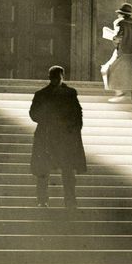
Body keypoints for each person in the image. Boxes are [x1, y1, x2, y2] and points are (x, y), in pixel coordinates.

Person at [29, 65, 87, 210]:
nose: (56, 80)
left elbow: (77, 114)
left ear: (62, 77)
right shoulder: (41, 94)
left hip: (62, 137)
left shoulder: (69, 93)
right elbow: (33, 114)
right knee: (45, 170)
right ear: (51, 78)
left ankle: (68, 201)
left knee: (66, 171)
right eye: (54, 77)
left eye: (58, 77)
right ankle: (46, 201)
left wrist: (73, 129)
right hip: (49, 136)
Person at [101, 3, 132, 112]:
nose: (117, 16)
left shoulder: (120, 23)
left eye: (119, 14)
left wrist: (110, 36)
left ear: (122, 15)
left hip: (124, 53)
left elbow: (118, 38)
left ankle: (119, 92)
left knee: (107, 69)